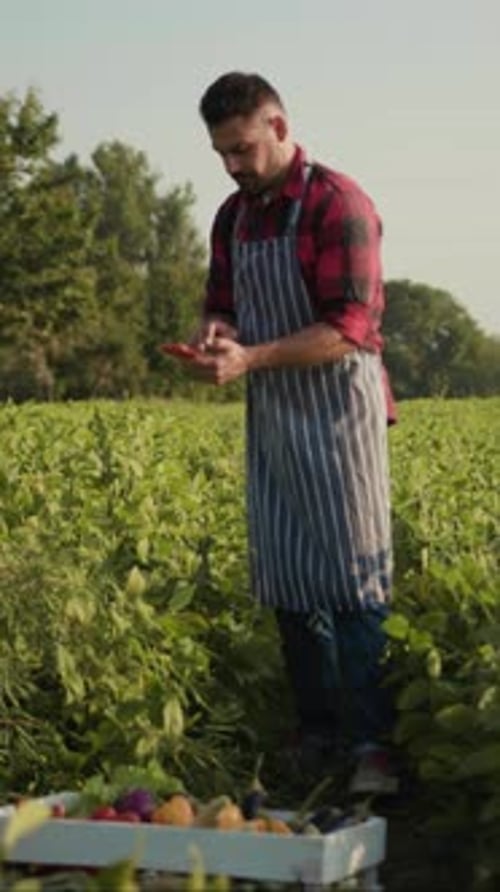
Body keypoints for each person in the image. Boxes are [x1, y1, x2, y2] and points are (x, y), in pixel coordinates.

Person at [187, 71, 398, 795]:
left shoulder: (338, 204)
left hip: (340, 411)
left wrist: (252, 357)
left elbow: (350, 329)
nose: (233, 166)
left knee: (354, 585)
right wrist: (216, 339)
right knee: (287, 579)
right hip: (275, 411)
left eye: (242, 149)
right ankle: (316, 735)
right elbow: (223, 305)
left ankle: (374, 748)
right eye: (221, 154)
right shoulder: (234, 218)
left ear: (278, 126)